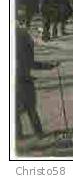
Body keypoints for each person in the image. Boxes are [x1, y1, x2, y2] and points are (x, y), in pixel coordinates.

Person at [16, 9, 54, 138]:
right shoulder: (23, 35)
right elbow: (30, 62)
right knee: (31, 107)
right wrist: (49, 66)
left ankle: (17, 135)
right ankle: (38, 133)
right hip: (23, 79)